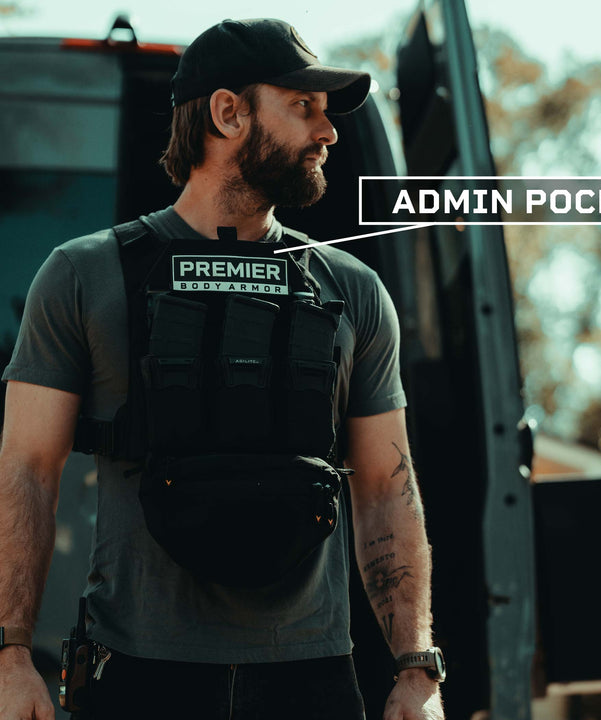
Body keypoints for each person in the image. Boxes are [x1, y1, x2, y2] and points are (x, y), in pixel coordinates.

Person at [0, 18, 444, 720]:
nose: (327, 133)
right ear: (228, 113)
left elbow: (388, 488)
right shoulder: (84, 274)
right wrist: (12, 656)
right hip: (140, 679)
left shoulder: (352, 289)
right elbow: (26, 467)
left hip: (311, 683)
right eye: (304, 107)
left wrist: (417, 670)